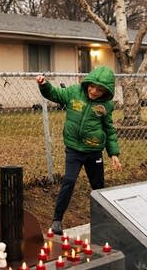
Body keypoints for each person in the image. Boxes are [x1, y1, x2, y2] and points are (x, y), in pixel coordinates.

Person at [36, 66, 122, 235]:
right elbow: (55, 94)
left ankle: (103, 220)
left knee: (98, 187)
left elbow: (109, 129)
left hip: (94, 151)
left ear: (106, 91)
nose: (94, 91)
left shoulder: (106, 105)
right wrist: (44, 85)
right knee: (68, 181)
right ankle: (57, 220)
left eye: (99, 90)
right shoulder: (74, 92)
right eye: (92, 86)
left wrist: (113, 154)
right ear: (87, 83)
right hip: (74, 150)